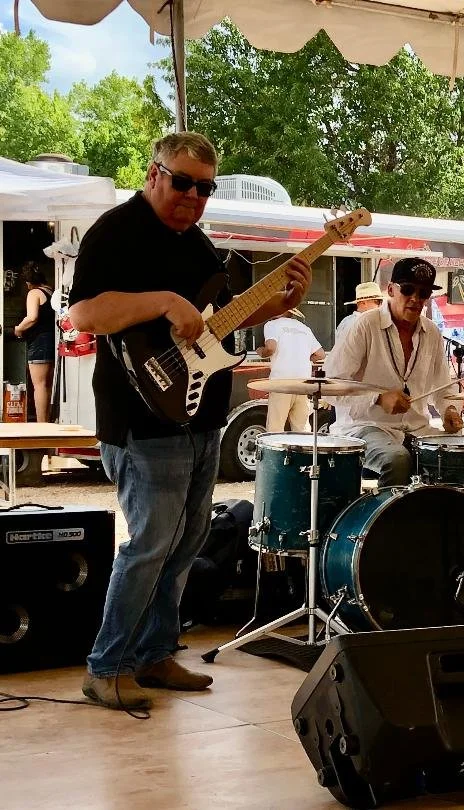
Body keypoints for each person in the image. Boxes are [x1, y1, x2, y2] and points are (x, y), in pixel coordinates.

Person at [68, 132, 312, 710]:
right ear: (154, 174)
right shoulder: (116, 231)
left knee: (187, 543)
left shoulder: (199, 245)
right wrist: (162, 301)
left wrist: (275, 305)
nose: (193, 196)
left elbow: (213, 325)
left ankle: (155, 654)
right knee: (150, 545)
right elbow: (84, 313)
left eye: (205, 188)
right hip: (141, 421)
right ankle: (106, 667)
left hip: (199, 414)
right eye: (183, 183)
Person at [324, 257, 464, 486]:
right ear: (390, 289)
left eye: (423, 293)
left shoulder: (432, 332)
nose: (415, 299)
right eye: (408, 290)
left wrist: (449, 410)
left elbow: (443, 388)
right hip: (363, 427)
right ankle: (389, 511)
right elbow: (330, 385)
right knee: (397, 460)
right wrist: (378, 398)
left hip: (417, 430)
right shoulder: (365, 325)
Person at [257, 308, 325, 432]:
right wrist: (305, 358)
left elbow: (271, 347)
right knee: (302, 430)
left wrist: (261, 352)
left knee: (275, 430)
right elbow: (320, 354)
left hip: (281, 384)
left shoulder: (272, 325)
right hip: (303, 384)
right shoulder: (304, 328)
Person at [13, 263, 55, 422]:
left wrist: (18, 329)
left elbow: (32, 317)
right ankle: (47, 422)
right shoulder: (51, 291)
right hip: (51, 340)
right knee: (47, 385)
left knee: (39, 385)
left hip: (39, 342)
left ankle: (42, 425)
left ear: (28, 282)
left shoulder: (34, 293)